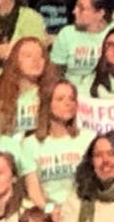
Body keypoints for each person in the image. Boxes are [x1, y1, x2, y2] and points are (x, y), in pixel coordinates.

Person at [19, 80, 92, 212]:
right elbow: (33, 191)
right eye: (60, 99)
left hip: (81, 209)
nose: (68, 103)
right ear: (47, 105)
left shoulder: (88, 139)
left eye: (72, 98)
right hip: (48, 211)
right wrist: (50, 210)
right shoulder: (30, 144)